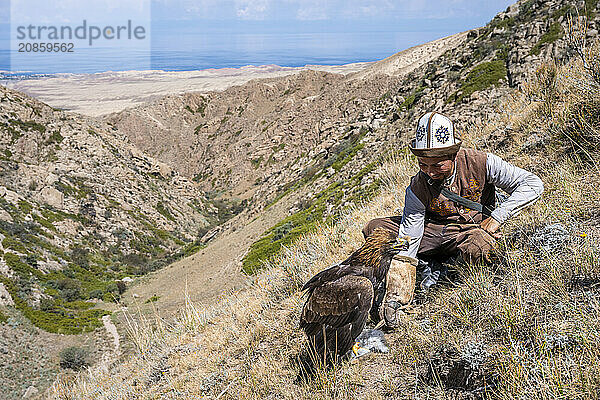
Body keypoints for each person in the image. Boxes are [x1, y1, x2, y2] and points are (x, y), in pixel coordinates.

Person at [363, 111, 544, 328]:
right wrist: (397, 295)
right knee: (376, 229)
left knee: (480, 246)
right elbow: (410, 234)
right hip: (430, 232)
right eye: (423, 165)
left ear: (453, 155)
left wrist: (496, 218)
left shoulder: (482, 162)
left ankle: (448, 270)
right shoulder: (417, 187)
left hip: (469, 231)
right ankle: (423, 270)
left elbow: (532, 184)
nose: (429, 172)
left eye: (437, 165)